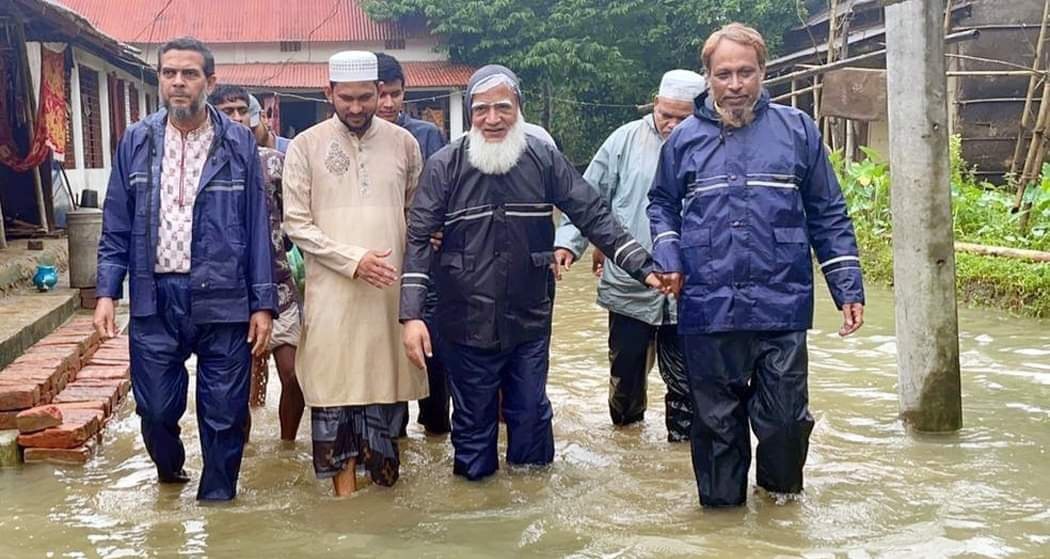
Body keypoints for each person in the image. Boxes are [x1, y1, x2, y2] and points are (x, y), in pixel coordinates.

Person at [400, 64, 662, 481]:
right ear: (469, 112)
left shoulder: (543, 159)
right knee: (472, 426)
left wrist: (644, 267)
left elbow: (592, 213)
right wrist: (412, 317)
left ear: (518, 108)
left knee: (531, 415)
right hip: (464, 319)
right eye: (481, 109)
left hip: (529, 317)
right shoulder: (444, 165)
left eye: (503, 107)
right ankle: (478, 504)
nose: (492, 119)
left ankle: (534, 503)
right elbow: (417, 239)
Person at [647, 23, 866, 508]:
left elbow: (828, 211)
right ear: (708, 77)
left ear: (763, 72)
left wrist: (847, 286)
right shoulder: (684, 140)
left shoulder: (798, 131)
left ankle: (780, 515)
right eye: (723, 74)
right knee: (715, 427)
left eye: (745, 72)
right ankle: (722, 523)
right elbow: (661, 203)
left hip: (781, 304)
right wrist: (669, 254)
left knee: (786, 422)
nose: (735, 84)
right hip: (708, 305)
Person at [94, 37, 276, 501]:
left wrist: (263, 303)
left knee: (224, 414)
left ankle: (217, 505)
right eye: (169, 73)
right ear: (159, 79)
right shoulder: (136, 140)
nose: (178, 82)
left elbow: (257, 225)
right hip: (156, 296)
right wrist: (106, 292)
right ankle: (170, 472)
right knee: (155, 410)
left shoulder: (237, 142)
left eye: (189, 74)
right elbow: (116, 221)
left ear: (209, 82)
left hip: (224, 296)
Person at [282, 51, 427, 496]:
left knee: (384, 408)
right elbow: (296, 224)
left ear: (380, 92)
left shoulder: (404, 143)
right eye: (347, 98)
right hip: (332, 298)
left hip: (387, 300)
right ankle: (344, 507)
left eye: (367, 97)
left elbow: (416, 219)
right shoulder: (306, 146)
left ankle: (381, 509)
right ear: (328, 92)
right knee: (333, 401)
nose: (358, 107)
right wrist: (353, 260)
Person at [554, 70, 705, 442]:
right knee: (625, 382)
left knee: (687, 385)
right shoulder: (623, 140)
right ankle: (627, 448)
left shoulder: (711, 145)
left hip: (690, 289)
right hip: (629, 285)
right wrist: (568, 243)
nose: (672, 125)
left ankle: (679, 458)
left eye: (682, 117)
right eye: (665, 114)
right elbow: (588, 198)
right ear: (655, 104)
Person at [209, 85, 306, 442]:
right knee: (238, 383)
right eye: (227, 111)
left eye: (242, 110)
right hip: (230, 290)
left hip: (279, 284)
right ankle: (243, 452)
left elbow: (295, 219)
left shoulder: (275, 162)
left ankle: (287, 447)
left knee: (294, 375)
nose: (237, 118)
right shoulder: (204, 165)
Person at [374, 52, 451, 437]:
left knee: (432, 362)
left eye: (396, 94)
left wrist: (437, 228)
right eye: (381, 94)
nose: (388, 103)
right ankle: (395, 439)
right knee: (387, 362)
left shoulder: (426, 136)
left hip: (426, 266)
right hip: (380, 266)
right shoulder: (355, 141)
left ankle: (436, 436)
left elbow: (443, 196)